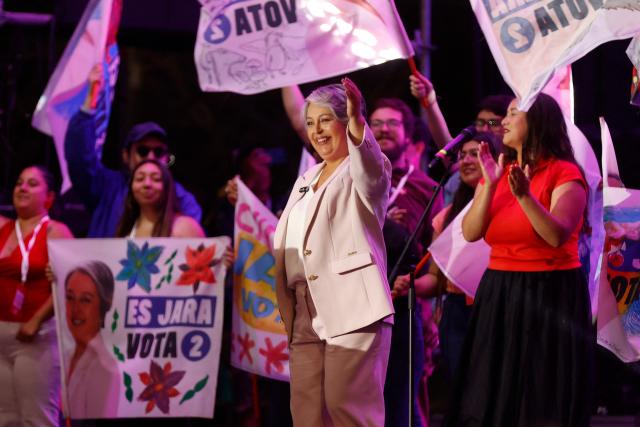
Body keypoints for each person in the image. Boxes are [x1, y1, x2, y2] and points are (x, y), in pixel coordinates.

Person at [447, 94, 593, 426]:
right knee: (491, 392)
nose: (505, 121)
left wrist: (525, 196)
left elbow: (555, 235)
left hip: (549, 292)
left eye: (514, 113)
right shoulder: (500, 170)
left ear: (537, 121)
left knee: (538, 395)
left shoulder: (565, 172)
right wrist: (488, 186)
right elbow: (471, 233)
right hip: (500, 290)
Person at [274, 78, 393, 426]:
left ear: (346, 122)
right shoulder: (306, 179)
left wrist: (359, 123)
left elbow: (370, 172)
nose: (317, 131)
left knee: (348, 408)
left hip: (352, 306)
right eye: (311, 123)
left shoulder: (365, 169)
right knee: (307, 415)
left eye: (326, 120)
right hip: (303, 311)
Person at [394, 132, 499, 385]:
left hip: (495, 306)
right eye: (462, 155)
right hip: (456, 312)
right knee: (464, 391)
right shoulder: (447, 217)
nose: (466, 160)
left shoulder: (506, 207)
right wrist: (413, 285)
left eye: (476, 154)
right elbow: (436, 278)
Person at [64, 64, 201, 238]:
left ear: (167, 158)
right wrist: (90, 101)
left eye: (158, 152)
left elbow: (191, 248)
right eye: (143, 151)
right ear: (126, 156)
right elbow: (79, 158)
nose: (151, 157)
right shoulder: (106, 187)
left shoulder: (181, 198)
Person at [0, 165, 73, 426]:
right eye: (19, 182)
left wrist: (36, 320)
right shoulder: (3, 227)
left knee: (36, 418)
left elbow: (69, 286)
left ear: (49, 197)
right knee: (5, 418)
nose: (22, 187)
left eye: (32, 184)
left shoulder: (56, 231)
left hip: (35, 336)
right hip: (0, 334)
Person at [409, 72, 512, 204]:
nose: (485, 129)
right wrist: (430, 103)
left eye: (493, 123)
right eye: (480, 123)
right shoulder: (465, 168)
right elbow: (447, 147)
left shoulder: (515, 164)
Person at [64, 261, 120, 418]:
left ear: (103, 306)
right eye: (70, 298)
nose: (75, 309)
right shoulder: (65, 356)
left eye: (85, 300)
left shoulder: (103, 367)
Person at [116, 159, 205, 238]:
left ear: (167, 187)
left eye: (156, 179)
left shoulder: (185, 226)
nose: (147, 184)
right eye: (140, 179)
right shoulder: (127, 229)